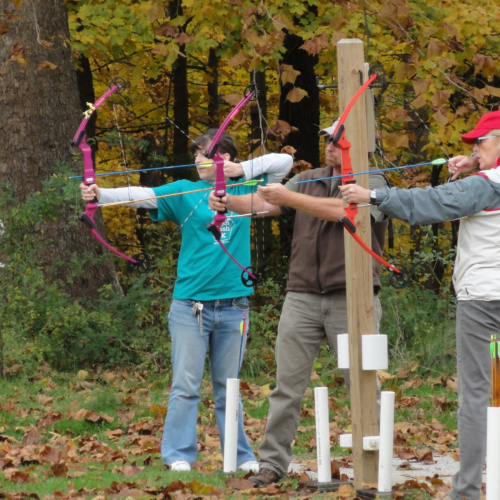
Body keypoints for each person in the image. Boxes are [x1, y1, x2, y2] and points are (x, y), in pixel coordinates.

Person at [80, 129, 293, 472]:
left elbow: (285, 162)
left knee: (230, 389)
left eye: (203, 153)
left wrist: (238, 170)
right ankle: (178, 455)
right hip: (190, 306)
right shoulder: (185, 191)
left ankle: (240, 457)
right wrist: (100, 193)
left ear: (222, 156)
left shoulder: (246, 189)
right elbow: (142, 195)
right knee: (186, 385)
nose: (196, 159)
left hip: (234, 305)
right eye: (194, 153)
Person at [208, 121, 388, 486]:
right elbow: (261, 203)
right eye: (327, 139)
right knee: (286, 386)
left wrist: (289, 198)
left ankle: (374, 468)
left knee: (364, 385)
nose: (330, 145)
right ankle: (272, 464)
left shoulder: (375, 182)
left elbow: (343, 211)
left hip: (352, 298)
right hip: (302, 296)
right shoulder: (310, 178)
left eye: (337, 140)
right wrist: (227, 201)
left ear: (357, 144)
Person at [340, 110, 500, 500]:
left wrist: (372, 195)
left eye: (481, 141)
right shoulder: (485, 182)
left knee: (477, 394)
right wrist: (473, 166)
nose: (475, 148)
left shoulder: (486, 185)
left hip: (484, 302)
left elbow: (432, 204)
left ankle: (465, 492)